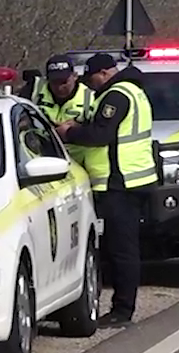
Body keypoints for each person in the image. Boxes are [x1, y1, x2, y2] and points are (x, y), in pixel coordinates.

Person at [55, 53, 157, 327]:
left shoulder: (116, 95)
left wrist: (68, 133)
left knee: (122, 250)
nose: (91, 85)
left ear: (103, 73)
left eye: (92, 79)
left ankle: (122, 310)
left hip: (120, 183)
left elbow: (101, 135)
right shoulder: (132, 91)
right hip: (132, 179)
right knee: (122, 247)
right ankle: (121, 306)